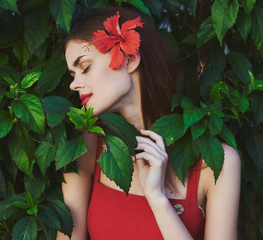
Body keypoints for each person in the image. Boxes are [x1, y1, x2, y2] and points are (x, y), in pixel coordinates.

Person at [57, 7, 241, 240]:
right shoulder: (86, 145)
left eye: (85, 67)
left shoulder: (218, 164)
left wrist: (157, 199)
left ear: (131, 59)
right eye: (72, 75)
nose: (74, 84)